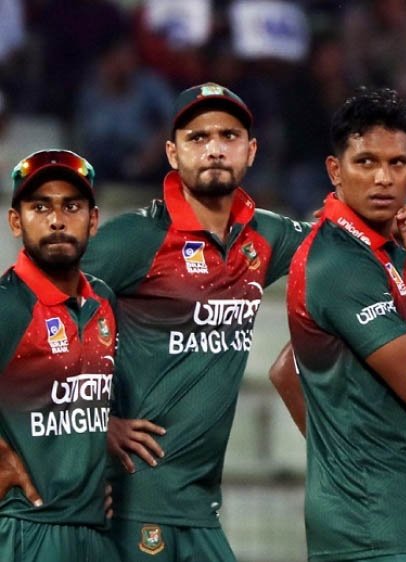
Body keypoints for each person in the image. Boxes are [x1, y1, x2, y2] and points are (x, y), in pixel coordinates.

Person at [80, 83, 309, 561]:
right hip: (134, 502)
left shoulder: (265, 235)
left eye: (228, 135)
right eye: (198, 137)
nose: (214, 149)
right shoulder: (134, 238)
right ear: (172, 152)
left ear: (251, 151)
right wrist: (96, 422)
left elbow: (346, 243)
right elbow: (32, 317)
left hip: (200, 508)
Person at [286, 87, 406, 562]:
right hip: (374, 524)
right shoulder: (339, 264)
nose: (383, 178)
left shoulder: (396, 252)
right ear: (335, 170)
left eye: (397, 163)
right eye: (365, 162)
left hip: (403, 513)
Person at [0, 149, 119, 560]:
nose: (56, 220)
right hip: (26, 529)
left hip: (96, 532)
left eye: (71, 206)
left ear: (93, 220)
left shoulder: (103, 301)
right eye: (39, 207)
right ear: (16, 221)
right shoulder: (7, 306)